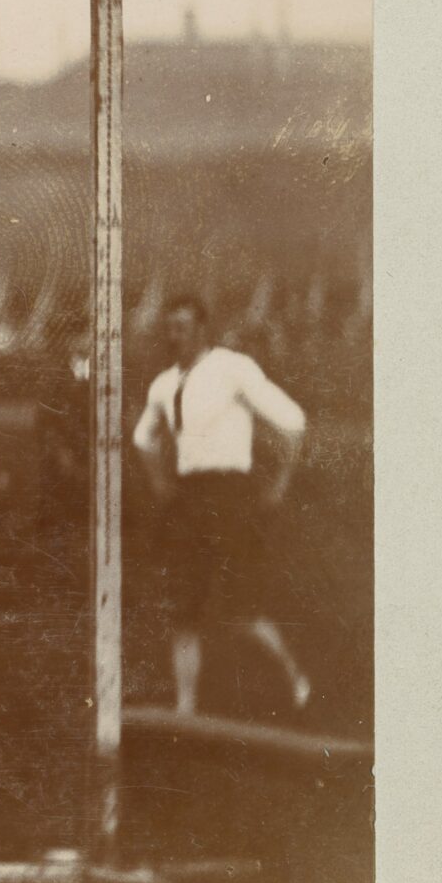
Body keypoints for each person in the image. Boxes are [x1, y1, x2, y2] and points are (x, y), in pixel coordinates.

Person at [130, 293, 315, 717]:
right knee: (183, 608)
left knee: (242, 609)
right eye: (170, 327)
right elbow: (143, 438)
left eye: (183, 326)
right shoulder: (162, 384)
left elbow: (294, 421)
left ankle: (295, 676)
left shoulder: (232, 369)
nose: (175, 335)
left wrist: (281, 484)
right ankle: (186, 709)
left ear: (201, 328)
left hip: (231, 497)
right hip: (188, 498)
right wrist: (161, 482)